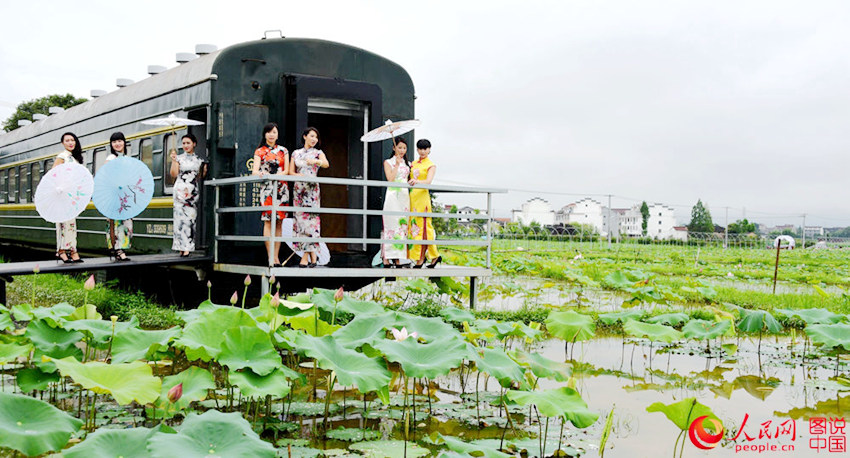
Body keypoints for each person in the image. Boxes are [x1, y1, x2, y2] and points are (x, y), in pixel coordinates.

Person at [288, 127, 328, 268]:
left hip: (312, 191)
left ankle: (305, 256)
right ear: (305, 136)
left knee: (311, 223)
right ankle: (313, 255)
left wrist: (315, 162)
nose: (314, 139)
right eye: (311, 136)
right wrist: (299, 176)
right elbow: (290, 172)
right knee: (300, 222)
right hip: (299, 191)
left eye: (316, 137)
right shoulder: (296, 153)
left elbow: (326, 164)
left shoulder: (318, 153)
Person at [251, 123, 289, 266]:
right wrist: (262, 173)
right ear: (265, 134)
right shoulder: (259, 151)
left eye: (274, 132)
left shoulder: (283, 150)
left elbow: (286, 170)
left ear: (277, 134)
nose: (271, 135)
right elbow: (254, 171)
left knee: (279, 222)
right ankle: (270, 256)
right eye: (269, 132)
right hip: (267, 189)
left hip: (281, 188)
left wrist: (278, 175)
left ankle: (277, 257)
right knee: (268, 221)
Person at [170, 133, 207, 257]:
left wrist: (205, 168)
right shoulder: (178, 158)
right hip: (180, 190)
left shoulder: (199, 160)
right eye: (184, 143)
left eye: (188, 143)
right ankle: (181, 248)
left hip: (192, 192)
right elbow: (174, 174)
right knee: (179, 220)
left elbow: (201, 176)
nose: (185, 145)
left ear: (194, 144)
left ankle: (188, 247)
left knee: (190, 219)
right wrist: (174, 161)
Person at [407, 139, 441, 268]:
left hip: (422, 197)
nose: (422, 151)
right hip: (413, 197)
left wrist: (416, 181)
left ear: (429, 149)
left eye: (425, 149)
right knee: (414, 228)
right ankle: (420, 257)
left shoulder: (430, 165)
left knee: (425, 228)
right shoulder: (413, 164)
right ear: (417, 150)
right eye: (420, 149)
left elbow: (428, 181)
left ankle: (426, 257)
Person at [52, 132, 84, 263]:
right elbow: (53, 174)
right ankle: (61, 251)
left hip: (72, 195)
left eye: (72, 140)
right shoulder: (62, 157)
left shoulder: (75, 158)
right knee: (62, 223)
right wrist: (61, 186)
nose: (71, 142)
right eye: (67, 140)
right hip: (62, 194)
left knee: (71, 224)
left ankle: (72, 249)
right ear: (63, 143)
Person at [381, 138, 411, 267]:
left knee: (402, 227)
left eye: (404, 148)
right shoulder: (388, 162)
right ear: (394, 148)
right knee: (390, 226)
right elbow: (390, 179)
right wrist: (397, 165)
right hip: (393, 195)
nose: (402, 150)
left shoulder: (408, 163)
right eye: (399, 147)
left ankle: (398, 258)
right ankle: (386, 257)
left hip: (404, 196)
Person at [104, 132, 132, 261]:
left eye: (120, 141)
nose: (117, 144)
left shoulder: (126, 158)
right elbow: (105, 175)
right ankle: (117, 249)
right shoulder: (111, 158)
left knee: (125, 222)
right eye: (114, 142)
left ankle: (122, 248)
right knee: (116, 222)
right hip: (115, 194)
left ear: (124, 142)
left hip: (125, 194)